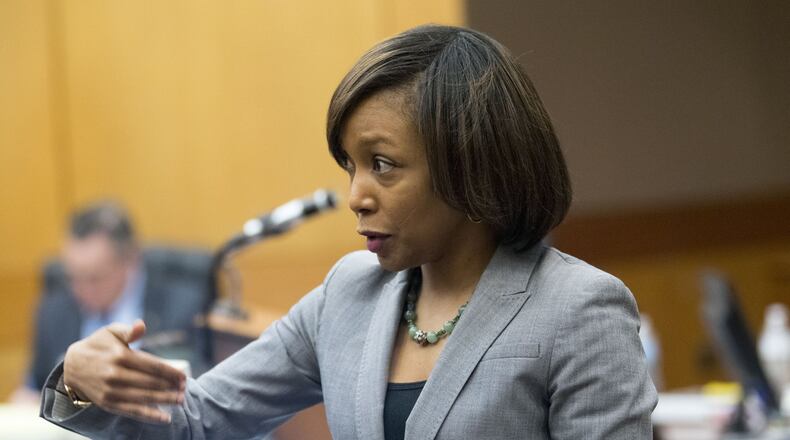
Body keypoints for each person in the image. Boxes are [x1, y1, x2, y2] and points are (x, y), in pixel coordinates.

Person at [40, 25, 657, 439]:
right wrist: (81, 380)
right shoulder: (348, 295)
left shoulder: (578, 310)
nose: (356, 196)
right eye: (350, 166)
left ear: (469, 161)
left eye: (382, 165)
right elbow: (198, 420)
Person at [11, 201, 212, 404]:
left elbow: (197, 386)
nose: (82, 289)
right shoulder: (54, 311)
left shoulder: (181, 307)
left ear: (130, 261)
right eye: (73, 277)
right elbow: (34, 386)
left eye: (94, 278)